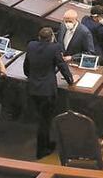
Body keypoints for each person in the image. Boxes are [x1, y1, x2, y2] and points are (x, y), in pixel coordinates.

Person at [24, 27, 74, 158]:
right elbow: (62, 65)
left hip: (33, 88)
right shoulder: (55, 48)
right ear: (52, 37)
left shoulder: (31, 45)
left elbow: (26, 66)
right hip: (47, 90)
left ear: (39, 37)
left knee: (42, 119)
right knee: (44, 121)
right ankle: (42, 150)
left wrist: (29, 75)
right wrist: (70, 80)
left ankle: (46, 143)